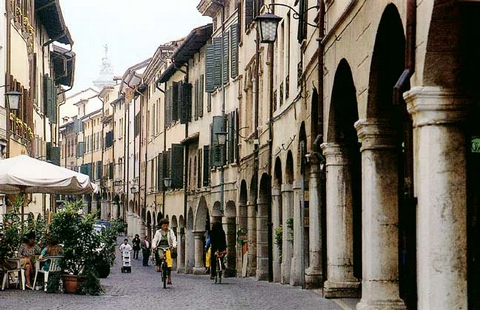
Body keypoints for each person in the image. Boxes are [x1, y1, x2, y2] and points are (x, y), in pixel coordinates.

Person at [152, 218, 177, 285]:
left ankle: (169, 278)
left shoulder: (170, 231)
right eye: (164, 225)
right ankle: (159, 265)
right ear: (161, 226)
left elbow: (173, 238)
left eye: (167, 225)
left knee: (169, 263)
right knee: (161, 256)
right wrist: (154, 246)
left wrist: (174, 245)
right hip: (160, 247)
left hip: (168, 247)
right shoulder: (158, 232)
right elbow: (155, 240)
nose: (166, 226)